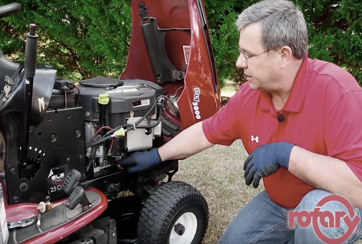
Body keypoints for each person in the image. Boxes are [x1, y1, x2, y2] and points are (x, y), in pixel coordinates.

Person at [118, 0, 362, 243]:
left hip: (339, 205)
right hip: (282, 206)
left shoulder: (338, 92)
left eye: (248, 55)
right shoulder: (250, 96)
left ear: (284, 55)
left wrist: (287, 155)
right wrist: (157, 156)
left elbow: (359, 190)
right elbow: (204, 132)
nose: (239, 62)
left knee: (317, 212)